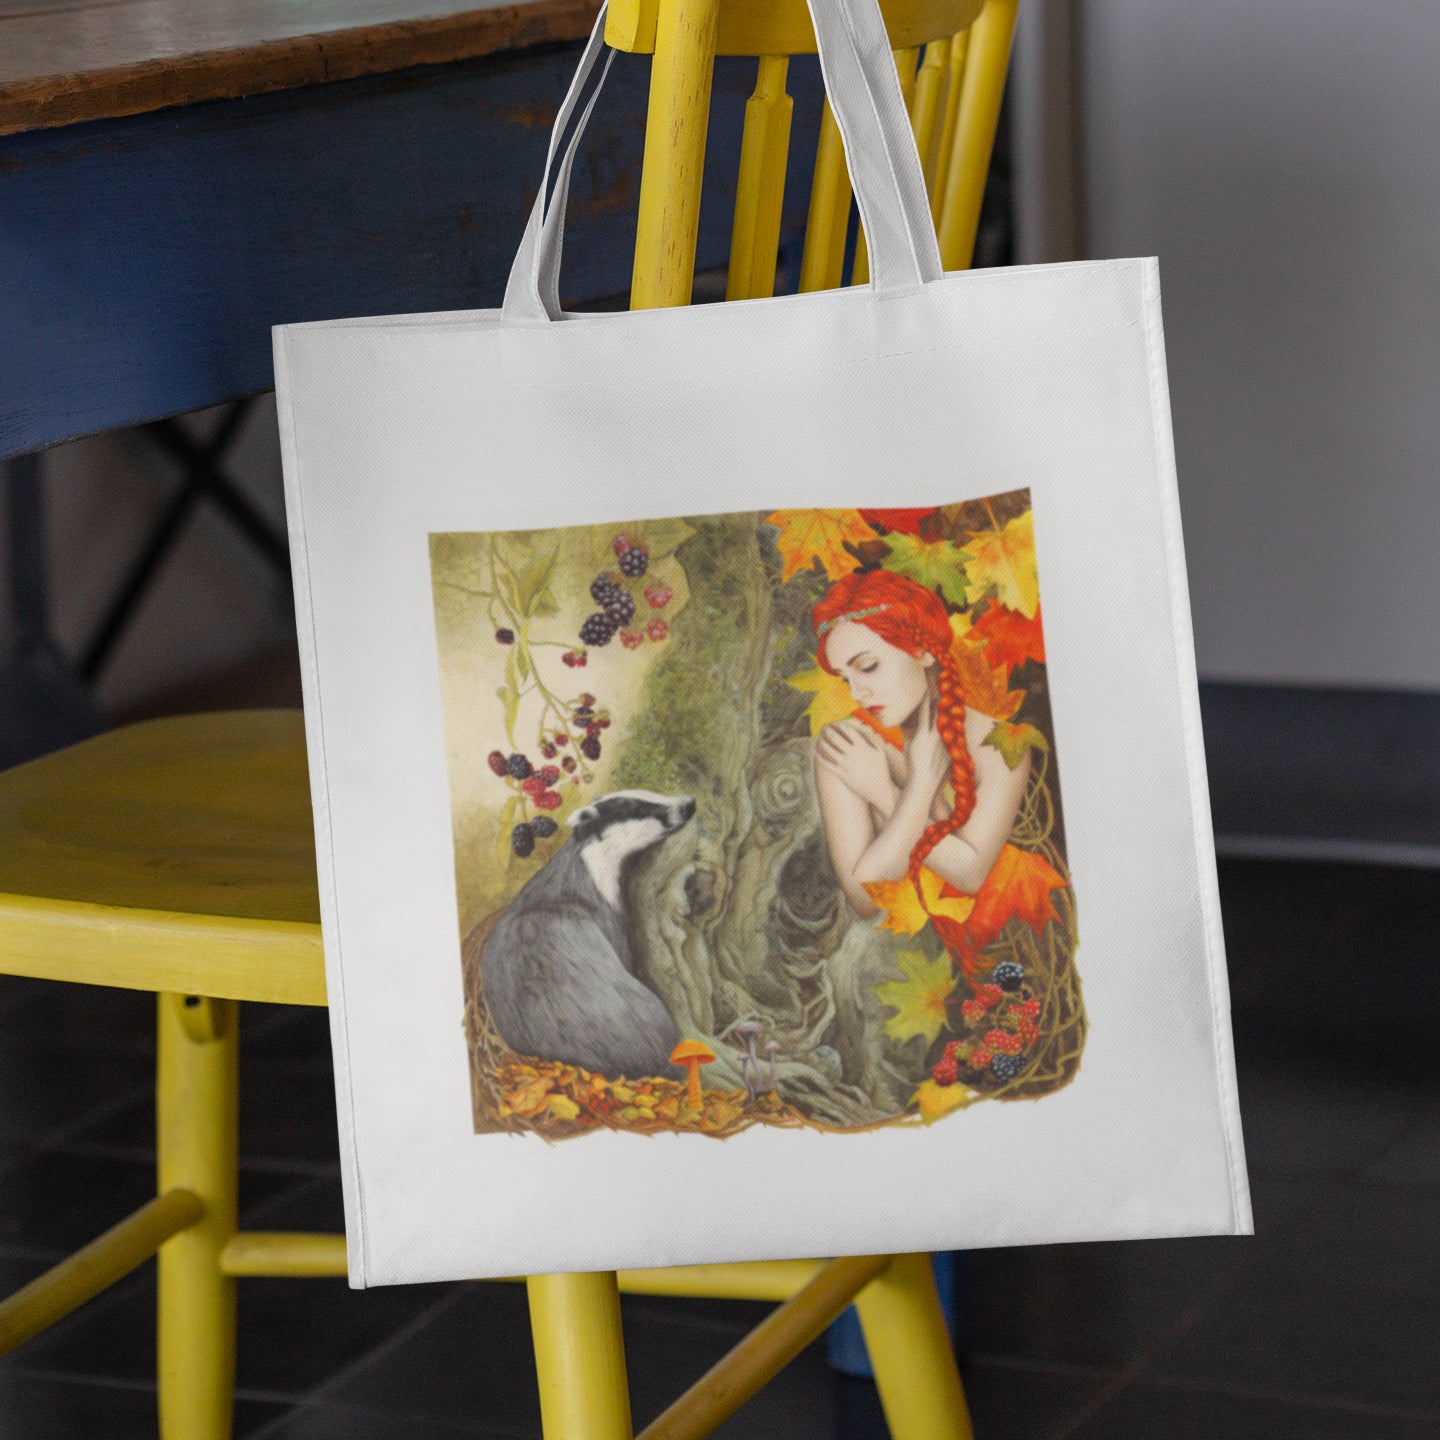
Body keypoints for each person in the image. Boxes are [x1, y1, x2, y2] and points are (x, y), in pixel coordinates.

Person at [811, 570, 1030, 920]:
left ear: (923, 651)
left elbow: (971, 874)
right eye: (845, 679)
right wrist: (921, 785)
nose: (857, 693)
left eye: (868, 666)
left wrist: (882, 791)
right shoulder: (849, 746)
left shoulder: (1001, 743)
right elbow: (865, 898)